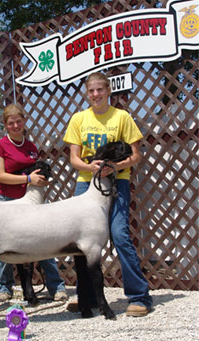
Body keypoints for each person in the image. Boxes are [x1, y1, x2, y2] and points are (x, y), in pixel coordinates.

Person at [63, 71, 152, 317]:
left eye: (100, 90)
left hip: (117, 183)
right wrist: (90, 168)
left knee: (119, 234)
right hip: (86, 185)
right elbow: (74, 158)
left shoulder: (122, 117)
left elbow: (135, 156)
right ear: (87, 93)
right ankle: (87, 298)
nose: (96, 95)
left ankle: (139, 296)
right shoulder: (78, 119)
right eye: (91, 91)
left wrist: (113, 167)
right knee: (81, 244)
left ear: (108, 91)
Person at [0, 103, 68, 302]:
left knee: (43, 242)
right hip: (7, 200)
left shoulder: (31, 146)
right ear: (5, 125)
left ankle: (56, 286)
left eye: (19, 121)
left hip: (31, 201)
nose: (16, 125)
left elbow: (35, 172)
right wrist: (28, 180)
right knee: (6, 246)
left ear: (24, 121)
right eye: (11, 123)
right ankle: (5, 287)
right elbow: (1, 176)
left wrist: (40, 180)